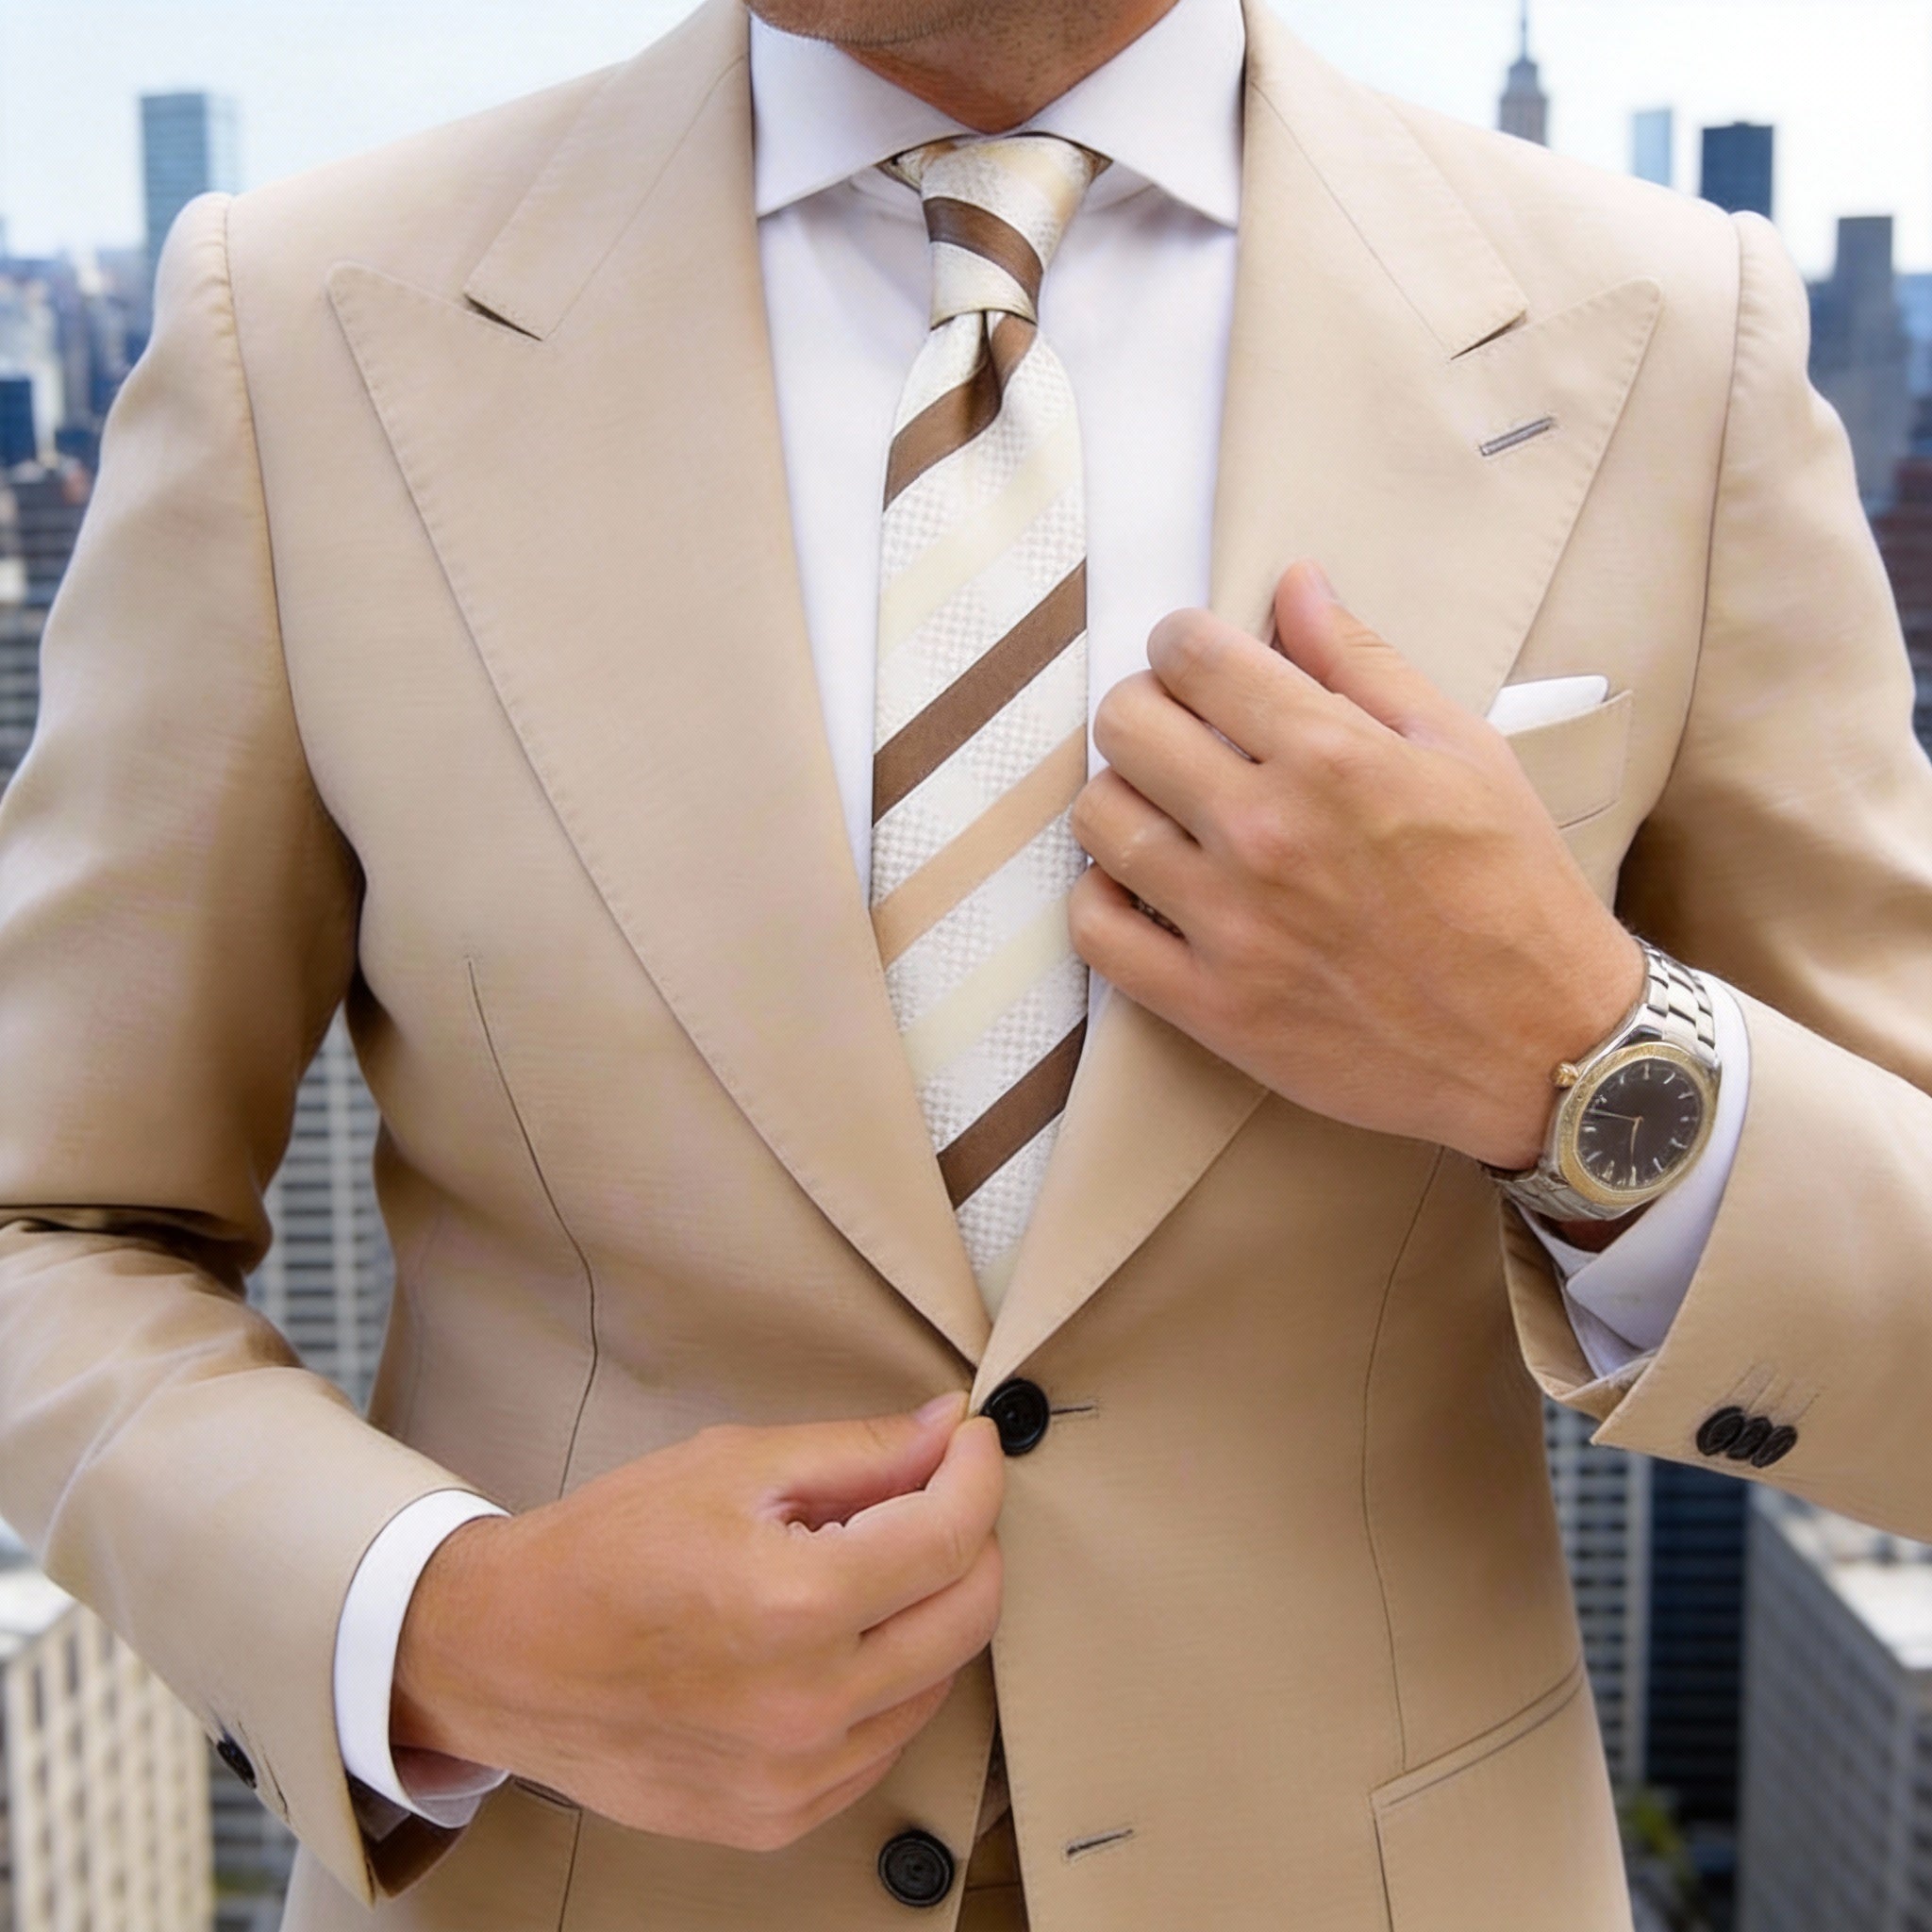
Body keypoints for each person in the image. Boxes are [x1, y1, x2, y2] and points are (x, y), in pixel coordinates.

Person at [1, 0, 1929, 1924]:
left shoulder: (1671, 339)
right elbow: (45, 1220)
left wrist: (1576, 1060)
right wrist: (444, 1625)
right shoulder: (305, 320)